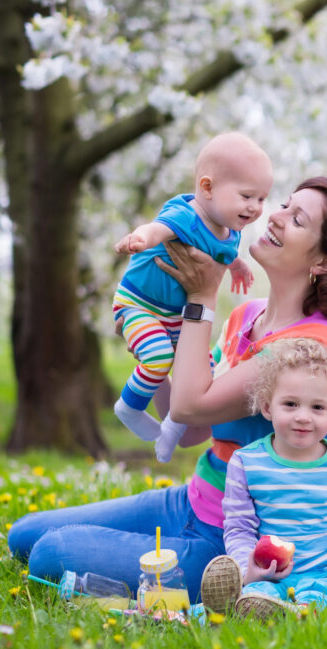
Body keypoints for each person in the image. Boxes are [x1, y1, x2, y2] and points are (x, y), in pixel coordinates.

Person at [7, 177, 327, 603]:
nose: (276, 217)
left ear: (324, 261)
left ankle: (225, 589)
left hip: (238, 544)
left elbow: (192, 406)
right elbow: (188, 426)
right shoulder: (247, 317)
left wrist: (202, 299)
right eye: (284, 205)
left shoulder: (317, 347)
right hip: (191, 502)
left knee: (50, 553)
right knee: (23, 535)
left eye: (297, 219)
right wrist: (154, 346)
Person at [112, 131, 271, 463]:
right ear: (207, 188)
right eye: (246, 196)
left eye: (261, 199)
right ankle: (129, 407)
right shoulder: (189, 215)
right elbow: (159, 229)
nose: (255, 208)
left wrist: (238, 265)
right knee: (157, 357)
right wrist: (139, 238)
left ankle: (171, 430)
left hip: (173, 315)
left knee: (204, 371)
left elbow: (224, 253)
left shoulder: (231, 230)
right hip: (139, 303)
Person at [197, 338, 327, 618]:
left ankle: (297, 610)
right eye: (291, 404)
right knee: (260, 593)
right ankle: (257, 603)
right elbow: (239, 527)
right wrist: (249, 569)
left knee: (323, 593)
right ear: (268, 407)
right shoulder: (246, 463)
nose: (303, 417)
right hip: (274, 574)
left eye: (317, 408)